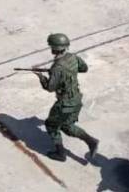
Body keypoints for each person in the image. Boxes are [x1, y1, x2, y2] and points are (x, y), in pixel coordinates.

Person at [35, 33, 99, 162]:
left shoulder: (57, 67)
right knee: (67, 126)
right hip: (76, 99)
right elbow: (84, 68)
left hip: (64, 104)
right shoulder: (73, 57)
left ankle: (60, 154)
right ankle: (91, 141)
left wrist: (41, 77)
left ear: (54, 48)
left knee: (51, 125)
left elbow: (50, 88)